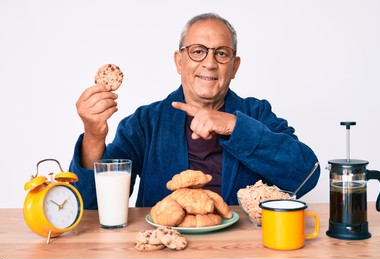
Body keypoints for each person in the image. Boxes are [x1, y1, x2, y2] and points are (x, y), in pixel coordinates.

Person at [69, 12, 320, 209]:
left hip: (241, 248)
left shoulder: (256, 113)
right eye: (198, 51)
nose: (209, 63)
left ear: (234, 67)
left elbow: (306, 175)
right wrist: (93, 135)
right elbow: (92, 207)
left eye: (221, 54)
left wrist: (235, 126)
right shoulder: (145, 123)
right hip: (165, 252)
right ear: (179, 61)